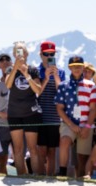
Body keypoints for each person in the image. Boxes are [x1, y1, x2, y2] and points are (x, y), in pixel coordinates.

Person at [55, 55, 95, 178]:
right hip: (68, 122)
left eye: (79, 66)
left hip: (85, 123)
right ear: (69, 68)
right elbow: (59, 108)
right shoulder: (63, 85)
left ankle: (81, 176)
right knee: (64, 141)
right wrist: (71, 124)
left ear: (83, 67)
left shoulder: (91, 85)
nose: (76, 69)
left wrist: (87, 127)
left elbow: (93, 108)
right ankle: (62, 172)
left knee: (82, 156)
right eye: (73, 67)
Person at [6, 41, 42, 176]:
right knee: (18, 148)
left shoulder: (33, 70)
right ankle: (21, 175)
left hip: (31, 113)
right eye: (17, 52)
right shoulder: (10, 70)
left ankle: (37, 176)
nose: (20, 54)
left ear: (27, 54)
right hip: (14, 113)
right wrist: (15, 68)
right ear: (14, 54)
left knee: (33, 148)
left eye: (22, 51)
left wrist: (27, 75)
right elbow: (8, 85)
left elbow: (38, 90)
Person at [36, 41, 65, 176]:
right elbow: (37, 92)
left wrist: (56, 76)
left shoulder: (61, 72)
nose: (49, 56)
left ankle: (50, 176)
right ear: (40, 55)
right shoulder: (36, 71)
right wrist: (46, 78)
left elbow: (62, 92)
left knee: (52, 150)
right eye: (46, 54)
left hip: (54, 116)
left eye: (51, 54)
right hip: (40, 115)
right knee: (41, 149)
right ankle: (41, 175)